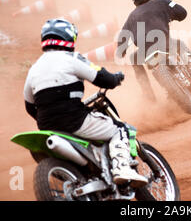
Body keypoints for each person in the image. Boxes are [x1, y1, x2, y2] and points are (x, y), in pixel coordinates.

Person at [23, 18, 148, 188]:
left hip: (47, 126)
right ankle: (122, 169)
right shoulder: (72, 58)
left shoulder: (34, 68)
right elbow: (102, 78)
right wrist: (116, 78)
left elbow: (30, 106)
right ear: (68, 37)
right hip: (74, 120)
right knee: (120, 129)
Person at [116, 0, 191, 100]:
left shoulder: (132, 16)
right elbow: (182, 12)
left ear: (135, 0)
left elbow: (122, 36)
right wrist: (172, 16)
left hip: (146, 52)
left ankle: (148, 94)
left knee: (134, 59)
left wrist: (122, 51)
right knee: (180, 44)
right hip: (165, 43)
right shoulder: (161, 1)